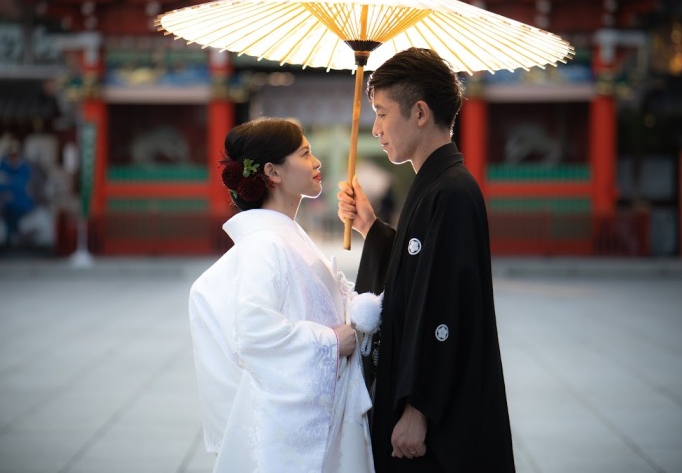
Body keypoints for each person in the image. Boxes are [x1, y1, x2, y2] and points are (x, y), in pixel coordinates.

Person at [337, 48, 515, 472]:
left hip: (437, 408)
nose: (376, 128)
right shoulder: (434, 182)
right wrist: (372, 229)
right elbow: (420, 269)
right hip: (425, 395)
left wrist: (418, 408)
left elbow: (444, 307)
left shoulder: (451, 190)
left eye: (382, 113)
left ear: (419, 112)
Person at [189, 118, 374, 472]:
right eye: (305, 153)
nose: (317, 162)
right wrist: (332, 341)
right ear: (272, 172)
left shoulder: (286, 237)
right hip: (288, 433)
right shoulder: (265, 245)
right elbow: (255, 333)